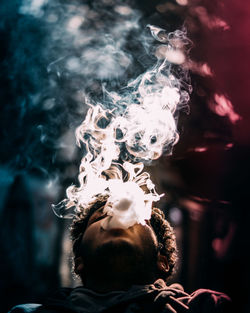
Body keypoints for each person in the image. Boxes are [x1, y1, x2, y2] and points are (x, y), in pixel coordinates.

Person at [9, 194, 231, 313]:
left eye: (137, 218)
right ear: (79, 263)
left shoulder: (207, 307)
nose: (114, 216)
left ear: (162, 261)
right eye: (99, 217)